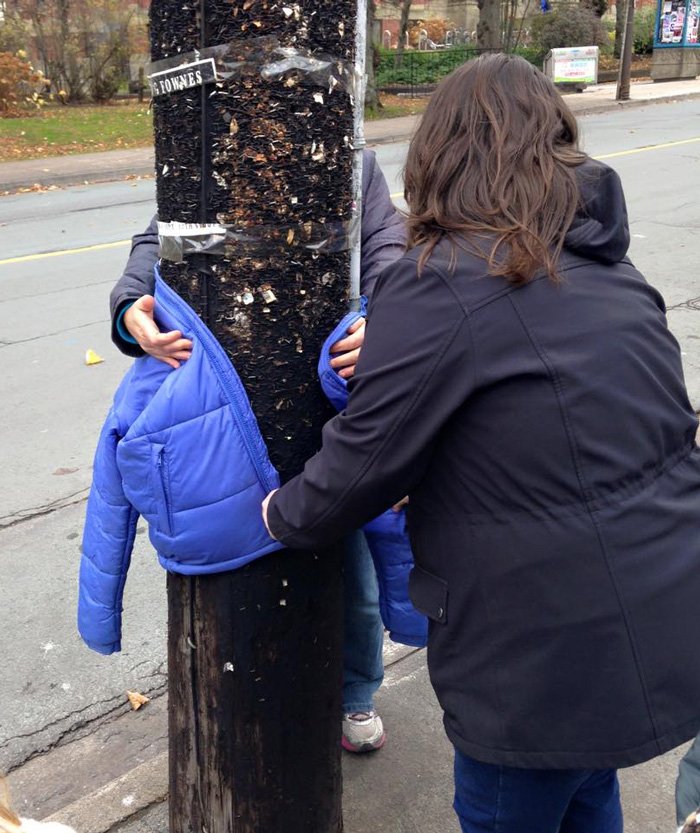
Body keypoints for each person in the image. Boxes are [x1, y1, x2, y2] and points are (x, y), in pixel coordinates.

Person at [261, 53, 700, 832]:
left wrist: (274, 514)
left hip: (536, 656)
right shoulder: (610, 269)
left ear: (438, 154)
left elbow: (361, 460)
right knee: (588, 789)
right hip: (657, 611)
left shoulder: (440, 281)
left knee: (515, 808)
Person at [109, 149, 405, 753]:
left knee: (355, 568)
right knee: (234, 554)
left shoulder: (355, 162)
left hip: (326, 392)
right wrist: (128, 308)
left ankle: (354, 694)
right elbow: (155, 239)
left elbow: (386, 248)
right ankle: (243, 705)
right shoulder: (199, 144)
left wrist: (388, 321)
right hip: (223, 398)